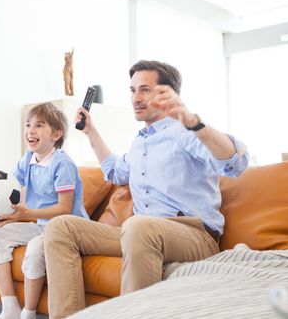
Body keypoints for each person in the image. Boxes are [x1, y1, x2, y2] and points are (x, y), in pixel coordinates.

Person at [44, 60, 249, 318]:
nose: (135, 98)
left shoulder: (185, 132)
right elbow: (114, 172)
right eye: (132, 90)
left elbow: (236, 163)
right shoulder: (139, 143)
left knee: (138, 225)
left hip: (194, 236)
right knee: (61, 227)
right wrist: (91, 131)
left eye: (145, 90)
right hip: (140, 233)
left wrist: (193, 122)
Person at [0, 102, 89, 319]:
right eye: (28, 125)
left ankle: (29, 311)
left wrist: (26, 214)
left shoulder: (63, 164)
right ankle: (9, 307)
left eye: (39, 125)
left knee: (35, 249)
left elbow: (64, 208)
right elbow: (6, 187)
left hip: (67, 230)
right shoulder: (27, 159)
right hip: (42, 226)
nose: (30, 130)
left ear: (56, 134)